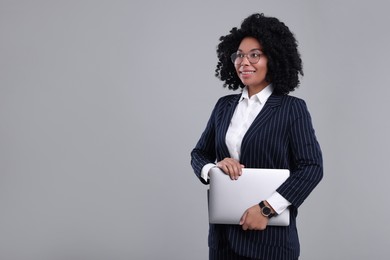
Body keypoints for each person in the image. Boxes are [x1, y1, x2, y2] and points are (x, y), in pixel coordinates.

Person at [190, 13, 323, 260]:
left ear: (273, 58)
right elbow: (199, 153)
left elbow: (311, 168)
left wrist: (266, 209)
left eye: (255, 54)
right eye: (239, 54)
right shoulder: (224, 106)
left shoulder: (291, 109)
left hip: (270, 241)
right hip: (224, 240)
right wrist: (213, 169)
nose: (244, 62)